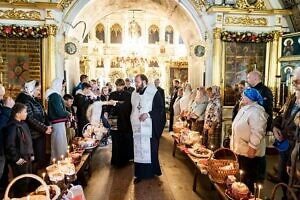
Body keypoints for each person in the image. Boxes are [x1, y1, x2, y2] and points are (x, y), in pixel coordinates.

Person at [230, 88, 268, 193]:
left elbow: (257, 131)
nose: (242, 97)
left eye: (244, 95)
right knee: (243, 177)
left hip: (249, 152)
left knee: (249, 179)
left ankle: (247, 195)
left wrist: (253, 147)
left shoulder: (257, 111)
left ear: (250, 98)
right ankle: (242, 195)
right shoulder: (245, 109)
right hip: (242, 149)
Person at [130, 74, 166, 184]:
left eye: (138, 82)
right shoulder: (134, 94)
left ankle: (151, 172)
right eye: (135, 82)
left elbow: (160, 108)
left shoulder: (153, 92)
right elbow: (132, 109)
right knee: (138, 150)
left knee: (151, 151)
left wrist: (148, 115)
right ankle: (140, 174)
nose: (135, 84)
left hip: (150, 128)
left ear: (144, 81)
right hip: (137, 128)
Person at [272, 68, 300, 199]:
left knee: (294, 176)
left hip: (297, 146)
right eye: (293, 81)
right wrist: (275, 127)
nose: (294, 84)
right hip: (285, 143)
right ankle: (285, 196)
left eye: (297, 81)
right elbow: (281, 114)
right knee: (282, 174)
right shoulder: (293, 98)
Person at [15, 80, 52, 172]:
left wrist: (48, 125)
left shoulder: (33, 99)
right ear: (31, 89)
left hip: (38, 132)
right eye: (38, 90)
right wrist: (44, 128)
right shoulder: (24, 100)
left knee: (40, 158)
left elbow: (42, 114)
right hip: (32, 134)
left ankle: (37, 178)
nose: (39, 92)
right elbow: (30, 119)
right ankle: (33, 180)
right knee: (35, 158)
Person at [5, 103, 34, 197]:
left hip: (27, 156)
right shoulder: (12, 127)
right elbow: (10, 145)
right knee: (21, 181)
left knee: (28, 179)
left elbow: (29, 140)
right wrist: (16, 158)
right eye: (25, 112)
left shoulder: (24, 124)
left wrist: (31, 153)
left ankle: (26, 197)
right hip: (20, 158)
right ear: (17, 114)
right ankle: (19, 197)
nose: (26, 114)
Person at [109, 79, 133, 167]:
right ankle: (115, 160)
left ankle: (124, 160)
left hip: (124, 120)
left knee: (124, 139)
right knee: (115, 140)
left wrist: (116, 103)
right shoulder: (112, 94)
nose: (118, 87)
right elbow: (109, 106)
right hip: (113, 120)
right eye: (117, 85)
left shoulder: (128, 95)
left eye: (120, 85)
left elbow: (127, 106)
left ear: (123, 86)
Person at [46, 78, 70, 159]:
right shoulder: (55, 96)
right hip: (58, 124)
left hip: (58, 123)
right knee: (59, 145)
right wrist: (68, 114)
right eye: (62, 86)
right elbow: (59, 112)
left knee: (60, 144)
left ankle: (59, 161)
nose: (63, 88)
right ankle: (59, 162)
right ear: (58, 85)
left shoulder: (55, 95)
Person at [0, 85, 14, 191]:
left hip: (3, 143)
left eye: (2, 95)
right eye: (0, 95)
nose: (2, 98)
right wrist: (7, 109)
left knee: (4, 169)